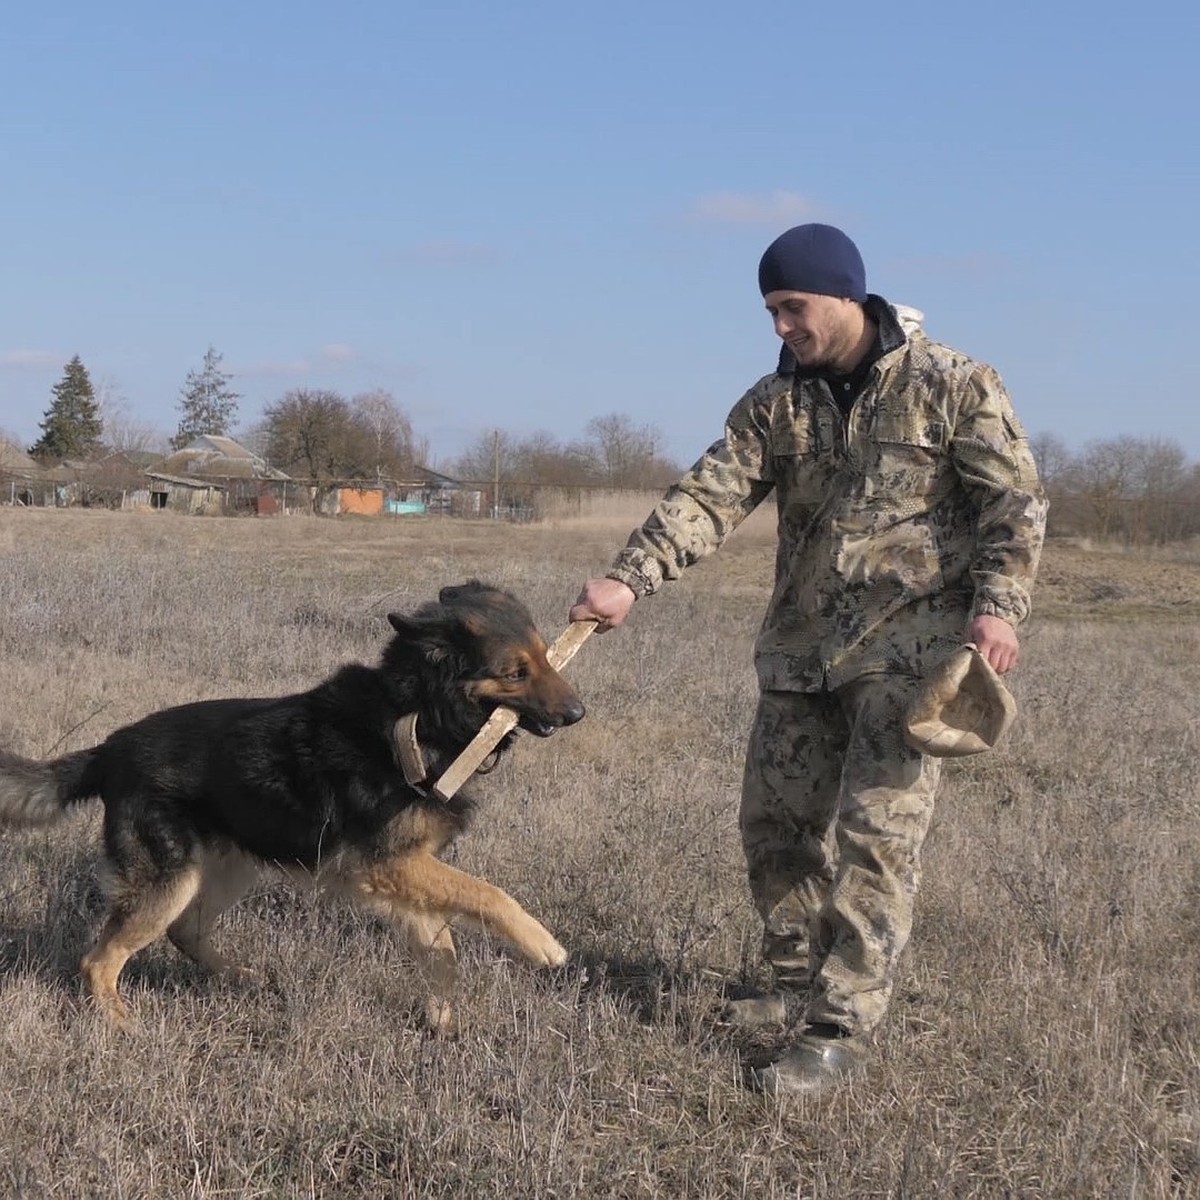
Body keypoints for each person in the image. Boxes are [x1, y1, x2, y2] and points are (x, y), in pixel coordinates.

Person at [569, 223, 1047, 1096]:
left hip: (908, 657)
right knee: (774, 827)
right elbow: (710, 495)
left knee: (876, 839)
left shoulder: (954, 384)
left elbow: (1013, 505)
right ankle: (791, 979)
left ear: (843, 295)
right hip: (800, 655)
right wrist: (629, 580)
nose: (781, 326)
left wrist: (997, 610)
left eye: (792, 307)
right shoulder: (774, 402)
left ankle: (837, 1028)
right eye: (770, 312)